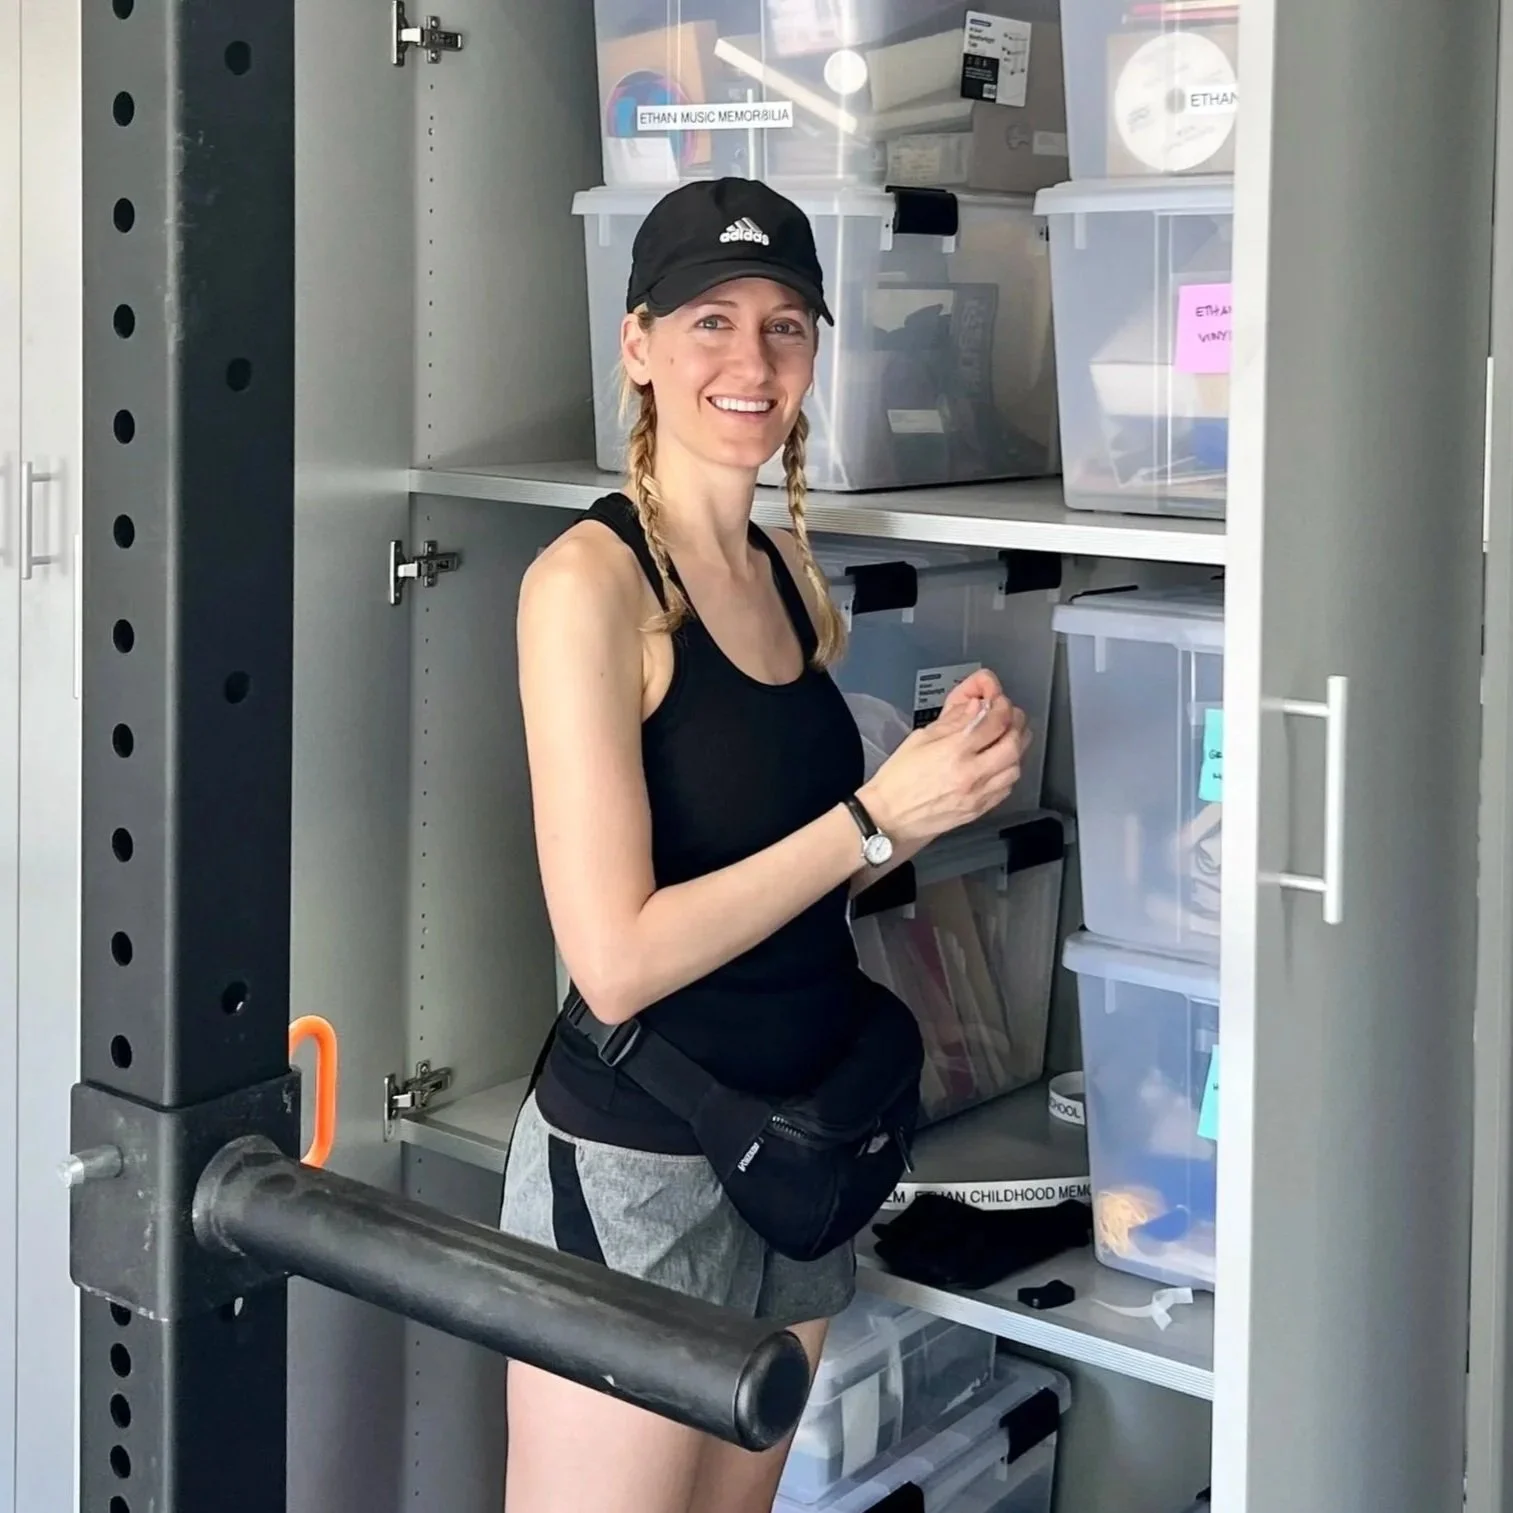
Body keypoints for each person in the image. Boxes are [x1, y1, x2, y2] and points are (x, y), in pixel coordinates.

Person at [498, 176, 1030, 1513]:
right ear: (637, 346)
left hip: (800, 1156)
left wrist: (935, 783)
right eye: (710, 323)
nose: (753, 361)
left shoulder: (794, 577)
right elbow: (613, 961)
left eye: (787, 325)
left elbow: (796, 880)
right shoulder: (586, 586)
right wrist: (874, 820)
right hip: (640, 1162)